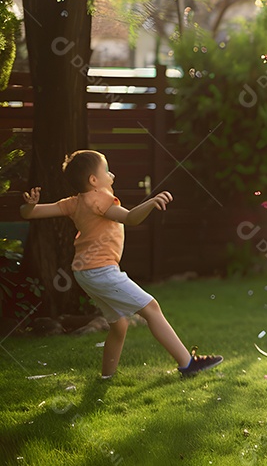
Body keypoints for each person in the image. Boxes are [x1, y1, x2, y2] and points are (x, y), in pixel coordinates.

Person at [20, 150, 223, 379]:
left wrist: (29, 205)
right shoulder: (101, 200)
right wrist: (151, 202)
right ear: (93, 181)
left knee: (119, 325)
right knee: (151, 308)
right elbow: (130, 218)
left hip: (84, 272)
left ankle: (107, 376)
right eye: (106, 171)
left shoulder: (74, 203)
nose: (112, 175)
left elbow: (31, 213)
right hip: (100, 271)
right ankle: (188, 364)